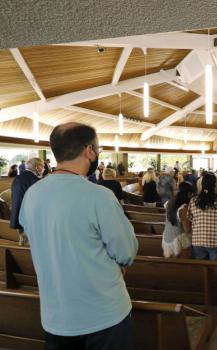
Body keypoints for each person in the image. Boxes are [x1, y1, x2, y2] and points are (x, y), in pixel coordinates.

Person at [19, 122, 137, 349]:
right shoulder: (99, 196)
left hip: (56, 316)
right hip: (104, 315)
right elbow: (126, 252)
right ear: (89, 150)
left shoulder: (32, 194)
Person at [186, 173, 217, 260]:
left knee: (202, 269)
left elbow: (190, 218)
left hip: (198, 240)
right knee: (215, 269)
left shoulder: (193, 200)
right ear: (214, 185)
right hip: (216, 240)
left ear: (202, 184)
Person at [10, 158, 44, 244]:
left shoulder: (18, 177)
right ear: (37, 167)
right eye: (42, 166)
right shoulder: (35, 180)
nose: (43, 168)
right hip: (28, 215)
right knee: (30, 242)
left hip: (17, 210)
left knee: (22, 239)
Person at [162, 182, 195, 258]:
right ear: (189, 194)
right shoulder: (183, 208)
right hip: (177, 241)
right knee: (194, 238)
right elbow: (187, 229)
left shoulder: (169, 202)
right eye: (192, 194)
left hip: (167, 238)